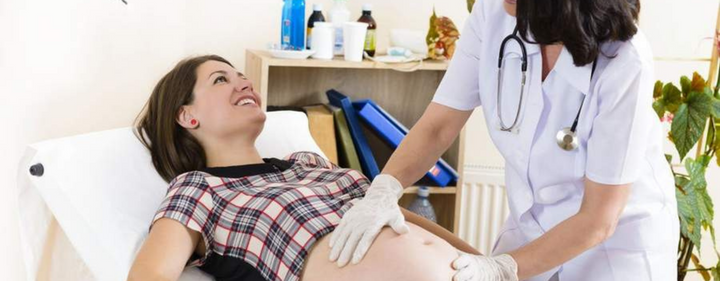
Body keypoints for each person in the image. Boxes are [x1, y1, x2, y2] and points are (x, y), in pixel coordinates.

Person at [330, 0, 679, 280]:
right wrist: (384, 190)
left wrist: (503, 268)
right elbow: (439, 124)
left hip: (615, 249)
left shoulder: (625, 60)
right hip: (531, 227)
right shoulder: (493, 14)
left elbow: (599, 219)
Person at [126, 55, 479, 281]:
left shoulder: (307, 163)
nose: (244, 83)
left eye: (241, 76)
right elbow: (150, 276)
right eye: (221, 80)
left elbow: (396, 215)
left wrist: (492, 264)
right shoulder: (198, 189)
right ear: (187, 116)